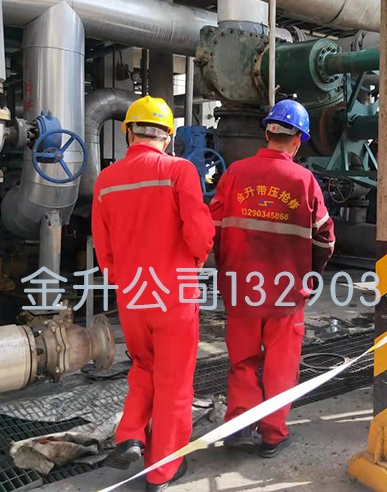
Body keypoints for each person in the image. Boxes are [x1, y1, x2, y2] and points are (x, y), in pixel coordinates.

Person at [92, 95, 215, 490]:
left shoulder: (106, 179)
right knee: (174, 383)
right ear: (167, 136)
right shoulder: (180, 171)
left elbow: (103, 247)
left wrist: (122, 279)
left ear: (129, 132)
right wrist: (194, 263)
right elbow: (200, 233)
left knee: (143, 366)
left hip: (133, 296)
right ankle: (162, 469)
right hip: (174, 295)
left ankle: (130, 433)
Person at [209, 99, 335, 458]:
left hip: (241, 288)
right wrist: (311, 275)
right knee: (280, 367)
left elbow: (212, 227)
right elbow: (325, 238)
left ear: (267, 133)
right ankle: (272, 435)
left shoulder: (235, 173)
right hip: (285, 292)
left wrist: (226, 266)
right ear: (298, 141)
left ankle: (239, 425)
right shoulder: (303, 180)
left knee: (242, 361)